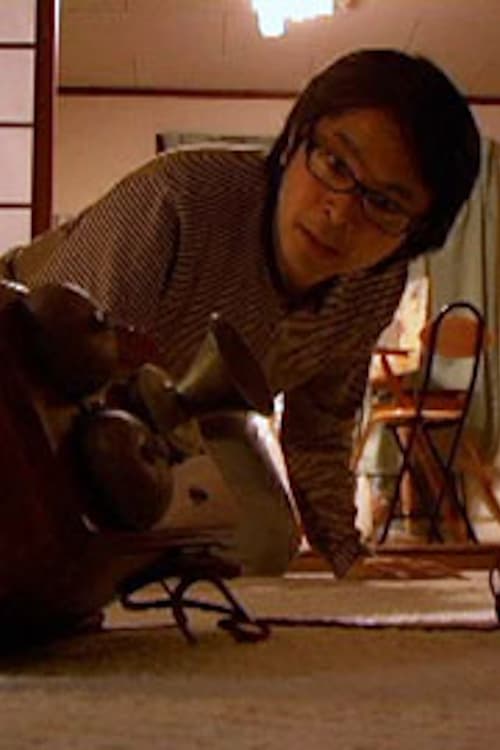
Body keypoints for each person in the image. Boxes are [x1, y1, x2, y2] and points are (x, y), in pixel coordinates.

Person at [0, 49, 481, 579]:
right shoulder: (181, 195)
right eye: (336, 165)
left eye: (385, 203)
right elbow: (55, 368)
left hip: (187, 408)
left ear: (417, 232)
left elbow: (318, 434)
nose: (340, 211)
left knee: (262, 537)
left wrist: (348, 558)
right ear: (295, 140)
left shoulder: (375, 283)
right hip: (28, 363)